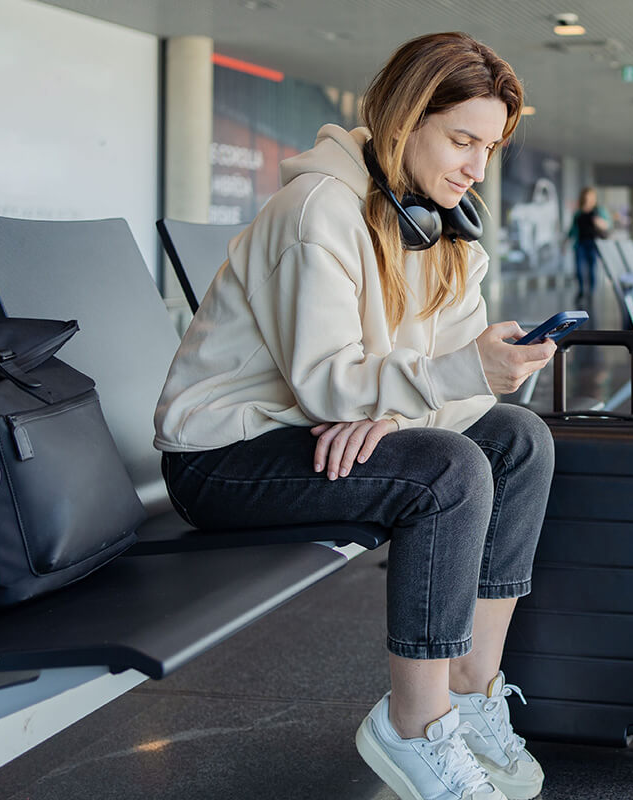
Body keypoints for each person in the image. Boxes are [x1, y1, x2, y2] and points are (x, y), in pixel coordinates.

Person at [154, 33, 556, 800]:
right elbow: (332, 385)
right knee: (448, 469)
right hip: (224, 456)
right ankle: (416, 725)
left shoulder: (441, 226)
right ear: (406, 122)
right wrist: (412, 399)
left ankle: (472, 691)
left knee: (517, 439)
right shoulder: (316, 211)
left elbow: (444, 394)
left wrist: (397, 413)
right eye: (462, 139)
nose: (476, 166)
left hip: (312, 430)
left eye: (490, 147)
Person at [567, 186, 608, 303]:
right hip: (580, 243)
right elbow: (572, 229)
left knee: (592, 268)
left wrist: (599, 222)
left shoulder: (598, 211)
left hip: (593, 243)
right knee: (579, 268)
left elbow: (607, 224)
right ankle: (581, 290)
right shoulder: (578, 213)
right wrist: (566, 242)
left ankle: (591, 291)